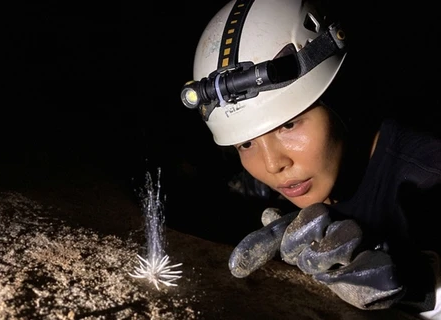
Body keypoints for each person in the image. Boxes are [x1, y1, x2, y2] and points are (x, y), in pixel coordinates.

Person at [179, 0, 441, 318]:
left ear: (338, 97)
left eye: (288, 124)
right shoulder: (263, 186)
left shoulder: (426, 177)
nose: (272, 164)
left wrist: (421, 285)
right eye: (245, 143)